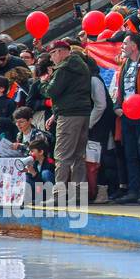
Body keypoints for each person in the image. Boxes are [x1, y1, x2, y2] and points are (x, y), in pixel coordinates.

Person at [40, 40, 93, 205]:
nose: (51, 58)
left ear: (61, 51)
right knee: (78, 156)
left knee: (62, 156)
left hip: (68, 116)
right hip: (83, 114)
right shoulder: (81, 65)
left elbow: (51, 91)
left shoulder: (64, 69)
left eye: (53, 53)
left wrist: (44, 82)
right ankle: (78, 195)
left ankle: (58, 196)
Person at [111, 34, 140, 205]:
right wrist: (117, 107)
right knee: (129, 154)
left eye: (125, 43)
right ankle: (133, 190)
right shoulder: (125, 65)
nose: (122, 46)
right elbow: (120, 91)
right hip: (126, 116)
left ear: (135, 46)